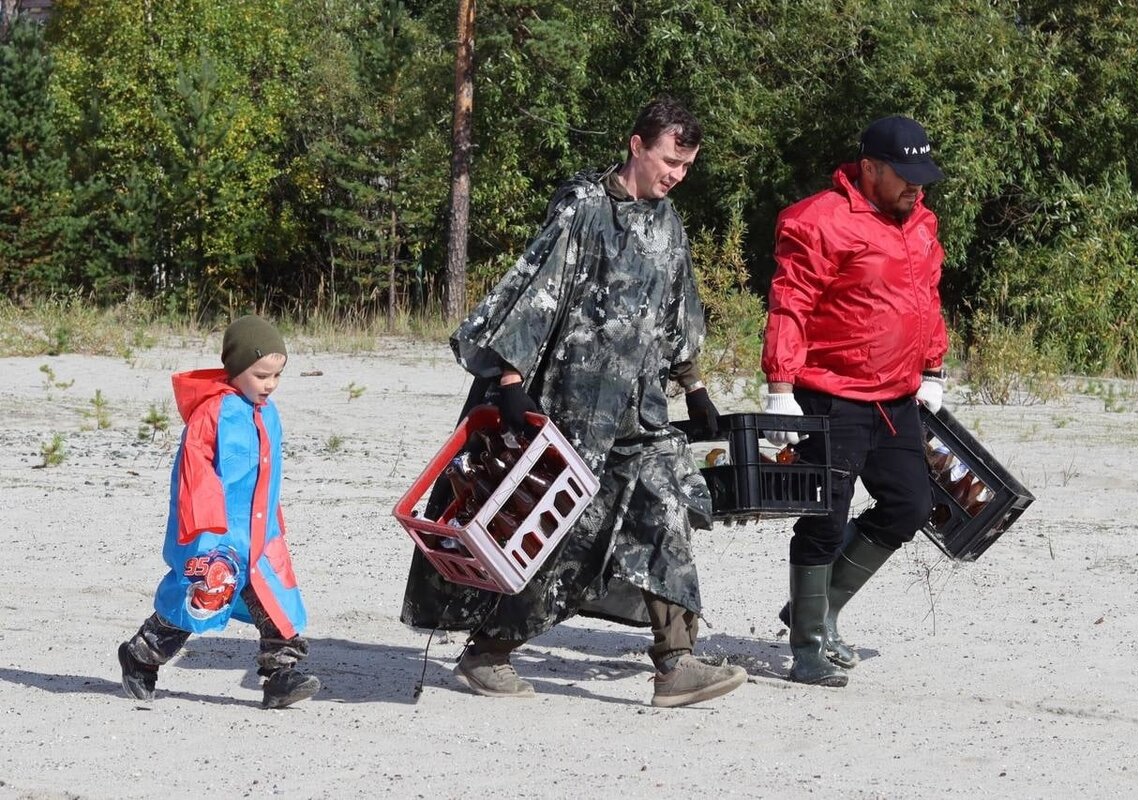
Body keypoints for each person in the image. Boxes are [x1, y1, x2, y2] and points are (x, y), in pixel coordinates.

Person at [401, 97, 747, 708]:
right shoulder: (584, 207)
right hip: (573, 407)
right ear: (637, 145)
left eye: (686, 166)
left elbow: (676, 307)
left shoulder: (669, 223)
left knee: (666, 505)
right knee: (555, 533)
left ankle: (676, 661)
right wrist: (509, 380)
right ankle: (487, 653)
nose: (675, 176)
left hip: (640, 412)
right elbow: (536, 287)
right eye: (670, 161)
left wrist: (693, 385)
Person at [761, 115, 949, 687]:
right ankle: (809, 645)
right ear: (868, 168)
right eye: (905, 174)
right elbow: (789, 303)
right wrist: (780, 389)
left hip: (895, 398)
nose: (917, 186)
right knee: (823, 519)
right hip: (829, 395)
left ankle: (813, 608)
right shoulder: (816, 222)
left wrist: (933, 368)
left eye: (923, 175)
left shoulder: (920, 222)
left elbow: (927, 298)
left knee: (910, 506)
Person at [117, 315, 320, 709]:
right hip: (215, 534)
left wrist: (274, 521)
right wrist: (206, 532)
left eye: (277, 375)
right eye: (262, 375)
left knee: (276, 602)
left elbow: (268, 475)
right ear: (237, 368)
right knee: (200, 597)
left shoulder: (268, 413)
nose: (271, 384)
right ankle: (142, 655)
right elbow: (194, 474)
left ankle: (280, 676)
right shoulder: (212, 414)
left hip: (260, 534)